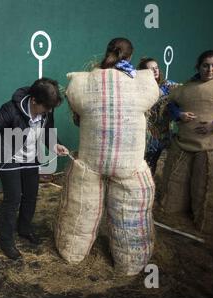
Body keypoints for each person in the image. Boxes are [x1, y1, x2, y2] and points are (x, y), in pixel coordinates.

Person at [56, 38, 160, 275]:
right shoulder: (141, 81)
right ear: (130, 57)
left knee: (79, 209)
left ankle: (71, 253)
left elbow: (76, 107)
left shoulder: (84, 81)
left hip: (91, 161)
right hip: (129, 163)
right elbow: (153, 95)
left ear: (106, 53)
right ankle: (131, 264)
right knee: (131, 214)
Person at [0, 78, 69, 260]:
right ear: (34, 100)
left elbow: (47, 133)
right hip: (7, 156)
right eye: (47, 107)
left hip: (29, 157)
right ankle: (6, 241)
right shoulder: (11, 109)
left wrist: (56, 145)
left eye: (51, 108)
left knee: (31, 194)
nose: (49, 111)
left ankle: (24, 229)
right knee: (13, 198)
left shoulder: (46, 110)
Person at [162, 50, 213, 233]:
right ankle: (173, 215)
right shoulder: (187, 87)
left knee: (207, 188)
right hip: (184, 143)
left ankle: (206, 226)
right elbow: (171, 104)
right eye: (206, 65)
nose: (210, 69)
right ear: (198, 66)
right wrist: (179, 115)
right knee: (175, 188)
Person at [137, 57, 180, 175]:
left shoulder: (167, 85)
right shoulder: (140, 88)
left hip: (165, 133)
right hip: (148, 134)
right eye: (151, 69)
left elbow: (183, 90)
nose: (155, 71)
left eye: (156, 68)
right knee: (147, 164)